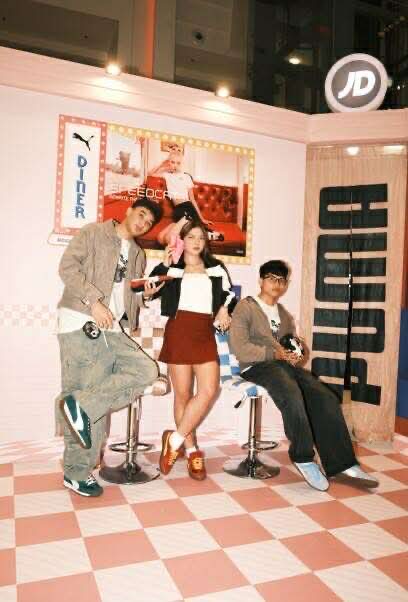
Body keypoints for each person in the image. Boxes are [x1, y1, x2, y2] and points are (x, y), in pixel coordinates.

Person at [229, 259, 379, 491]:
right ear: (260, 281)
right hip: (256, 367)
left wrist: (297, 353)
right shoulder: (245, 307)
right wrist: (274, 354)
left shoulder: (284, 315)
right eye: (271, 278)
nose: (277, 284)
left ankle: (342, 464)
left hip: (282, 367)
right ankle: (303, 457)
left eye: (282, 280)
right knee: (291, 392)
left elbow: (291, 350)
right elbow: (240, 348)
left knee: (325, 396)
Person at [56, 198, 164, 497]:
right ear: (128, 211)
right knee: (88, 397)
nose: (143, 223)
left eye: (149, 222)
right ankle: (77, 473)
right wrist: (93, 302)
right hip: (81, 320)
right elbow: (67, 268)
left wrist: (146, 295)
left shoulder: (138, 253)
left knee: (145, 371)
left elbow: (127, 295)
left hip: (113, 327)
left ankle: (79, 406)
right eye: (141, 215)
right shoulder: (93, 233)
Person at [149, 221, 235, 479]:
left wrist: (224, 309)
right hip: (179, 330)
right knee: (183, 395)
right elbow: (148, 290)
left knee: (209, 390)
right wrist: (164, 265)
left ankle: (173, 440)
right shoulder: (172, 267)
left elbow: (229, 295)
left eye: (201, 238)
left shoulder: (216, 267)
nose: (197, 242)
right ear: (182, 240)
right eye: (191, 237)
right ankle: (192, 450)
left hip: (204, 331)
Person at [148, 150, 223, 246]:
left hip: (188, 206)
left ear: (182, 163)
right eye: (172, 162)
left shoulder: (186, 177)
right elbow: (150, 173)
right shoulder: (167, 175)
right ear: (168, 162)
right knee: (190, 228)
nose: (175, 165)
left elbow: (192, 200)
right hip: (177, 210)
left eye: (178, 163)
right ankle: (208, 234)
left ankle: (211, 234)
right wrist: (162, 164)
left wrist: (202, 218)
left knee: (193, 227)